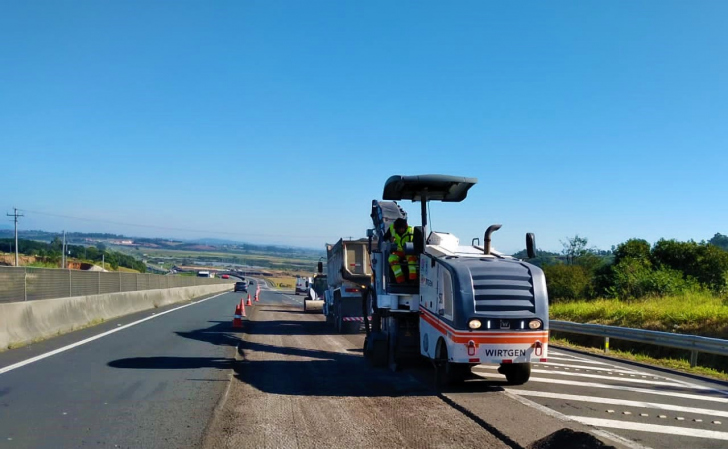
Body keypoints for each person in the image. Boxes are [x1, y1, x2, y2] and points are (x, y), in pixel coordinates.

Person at [384, 218, 418, 283]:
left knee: (412, 259)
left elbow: (418, 241)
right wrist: (389, 239)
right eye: (400, 228)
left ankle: (413, 279)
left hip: (409, 252)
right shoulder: (391, 229)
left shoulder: (411, 230)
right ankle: (400, 280)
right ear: (396, 228)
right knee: (391, 259)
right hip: (398, 251)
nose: (401, 230)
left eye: (403, 228)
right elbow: (384, 238)